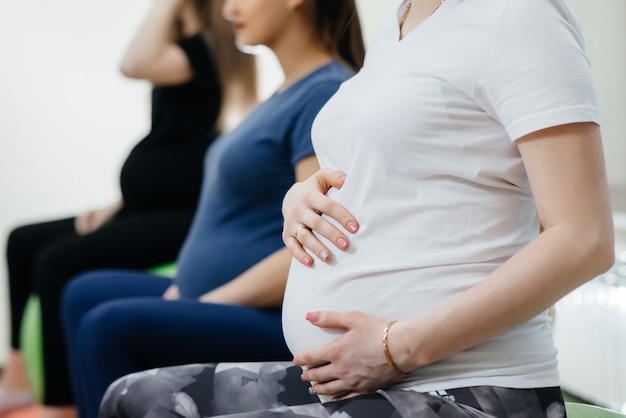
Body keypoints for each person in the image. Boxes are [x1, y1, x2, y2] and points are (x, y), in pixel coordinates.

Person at [97, 0, 616, 417]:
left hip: (471, 388)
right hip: (353, 376)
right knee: (131, 400)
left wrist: (397, 347)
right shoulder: (400, 25)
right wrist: (300, 199)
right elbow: (399, 171)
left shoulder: (518, 15)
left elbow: (584, 240)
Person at [61, 0, 365, 417]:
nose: (227, 9)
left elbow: (318, 240)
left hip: (264, 313)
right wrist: (186, 287)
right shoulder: (287, 91)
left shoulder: (323, 91)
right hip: (212, 294)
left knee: (108, 325)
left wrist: (206, 302)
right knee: (82, 292)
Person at [0, 0, 257, 417]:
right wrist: (119, 204)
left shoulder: (203, 52)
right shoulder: (185, 47)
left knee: (55, 261)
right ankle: (15, 375)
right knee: (23, 240)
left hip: (180, 216)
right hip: (145, 205)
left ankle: (59, 405)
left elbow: (133, 63)